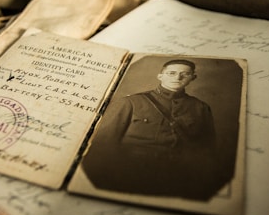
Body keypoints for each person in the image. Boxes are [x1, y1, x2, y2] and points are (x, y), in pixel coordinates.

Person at [80, 58, 224, 201]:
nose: (177, 77)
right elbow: (103, 145)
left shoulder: (200, 108)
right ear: (160, 76)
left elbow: (207, 150)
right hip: (130, 175)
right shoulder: (131, 102)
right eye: (171, 73)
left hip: (179, 179)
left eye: (184, 74)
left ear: (193, 78)